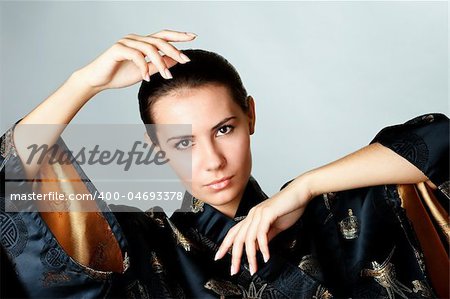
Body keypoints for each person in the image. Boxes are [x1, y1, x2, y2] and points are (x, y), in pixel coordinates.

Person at [0, 30, 448, 298]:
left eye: (223, 129)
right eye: (182, 142)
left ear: (251, 114)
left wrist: (304, 188)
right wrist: (86, 83)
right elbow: (14, 180)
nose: (212, 161)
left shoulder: (335, 214)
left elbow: (439, 139)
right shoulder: (144, 248)